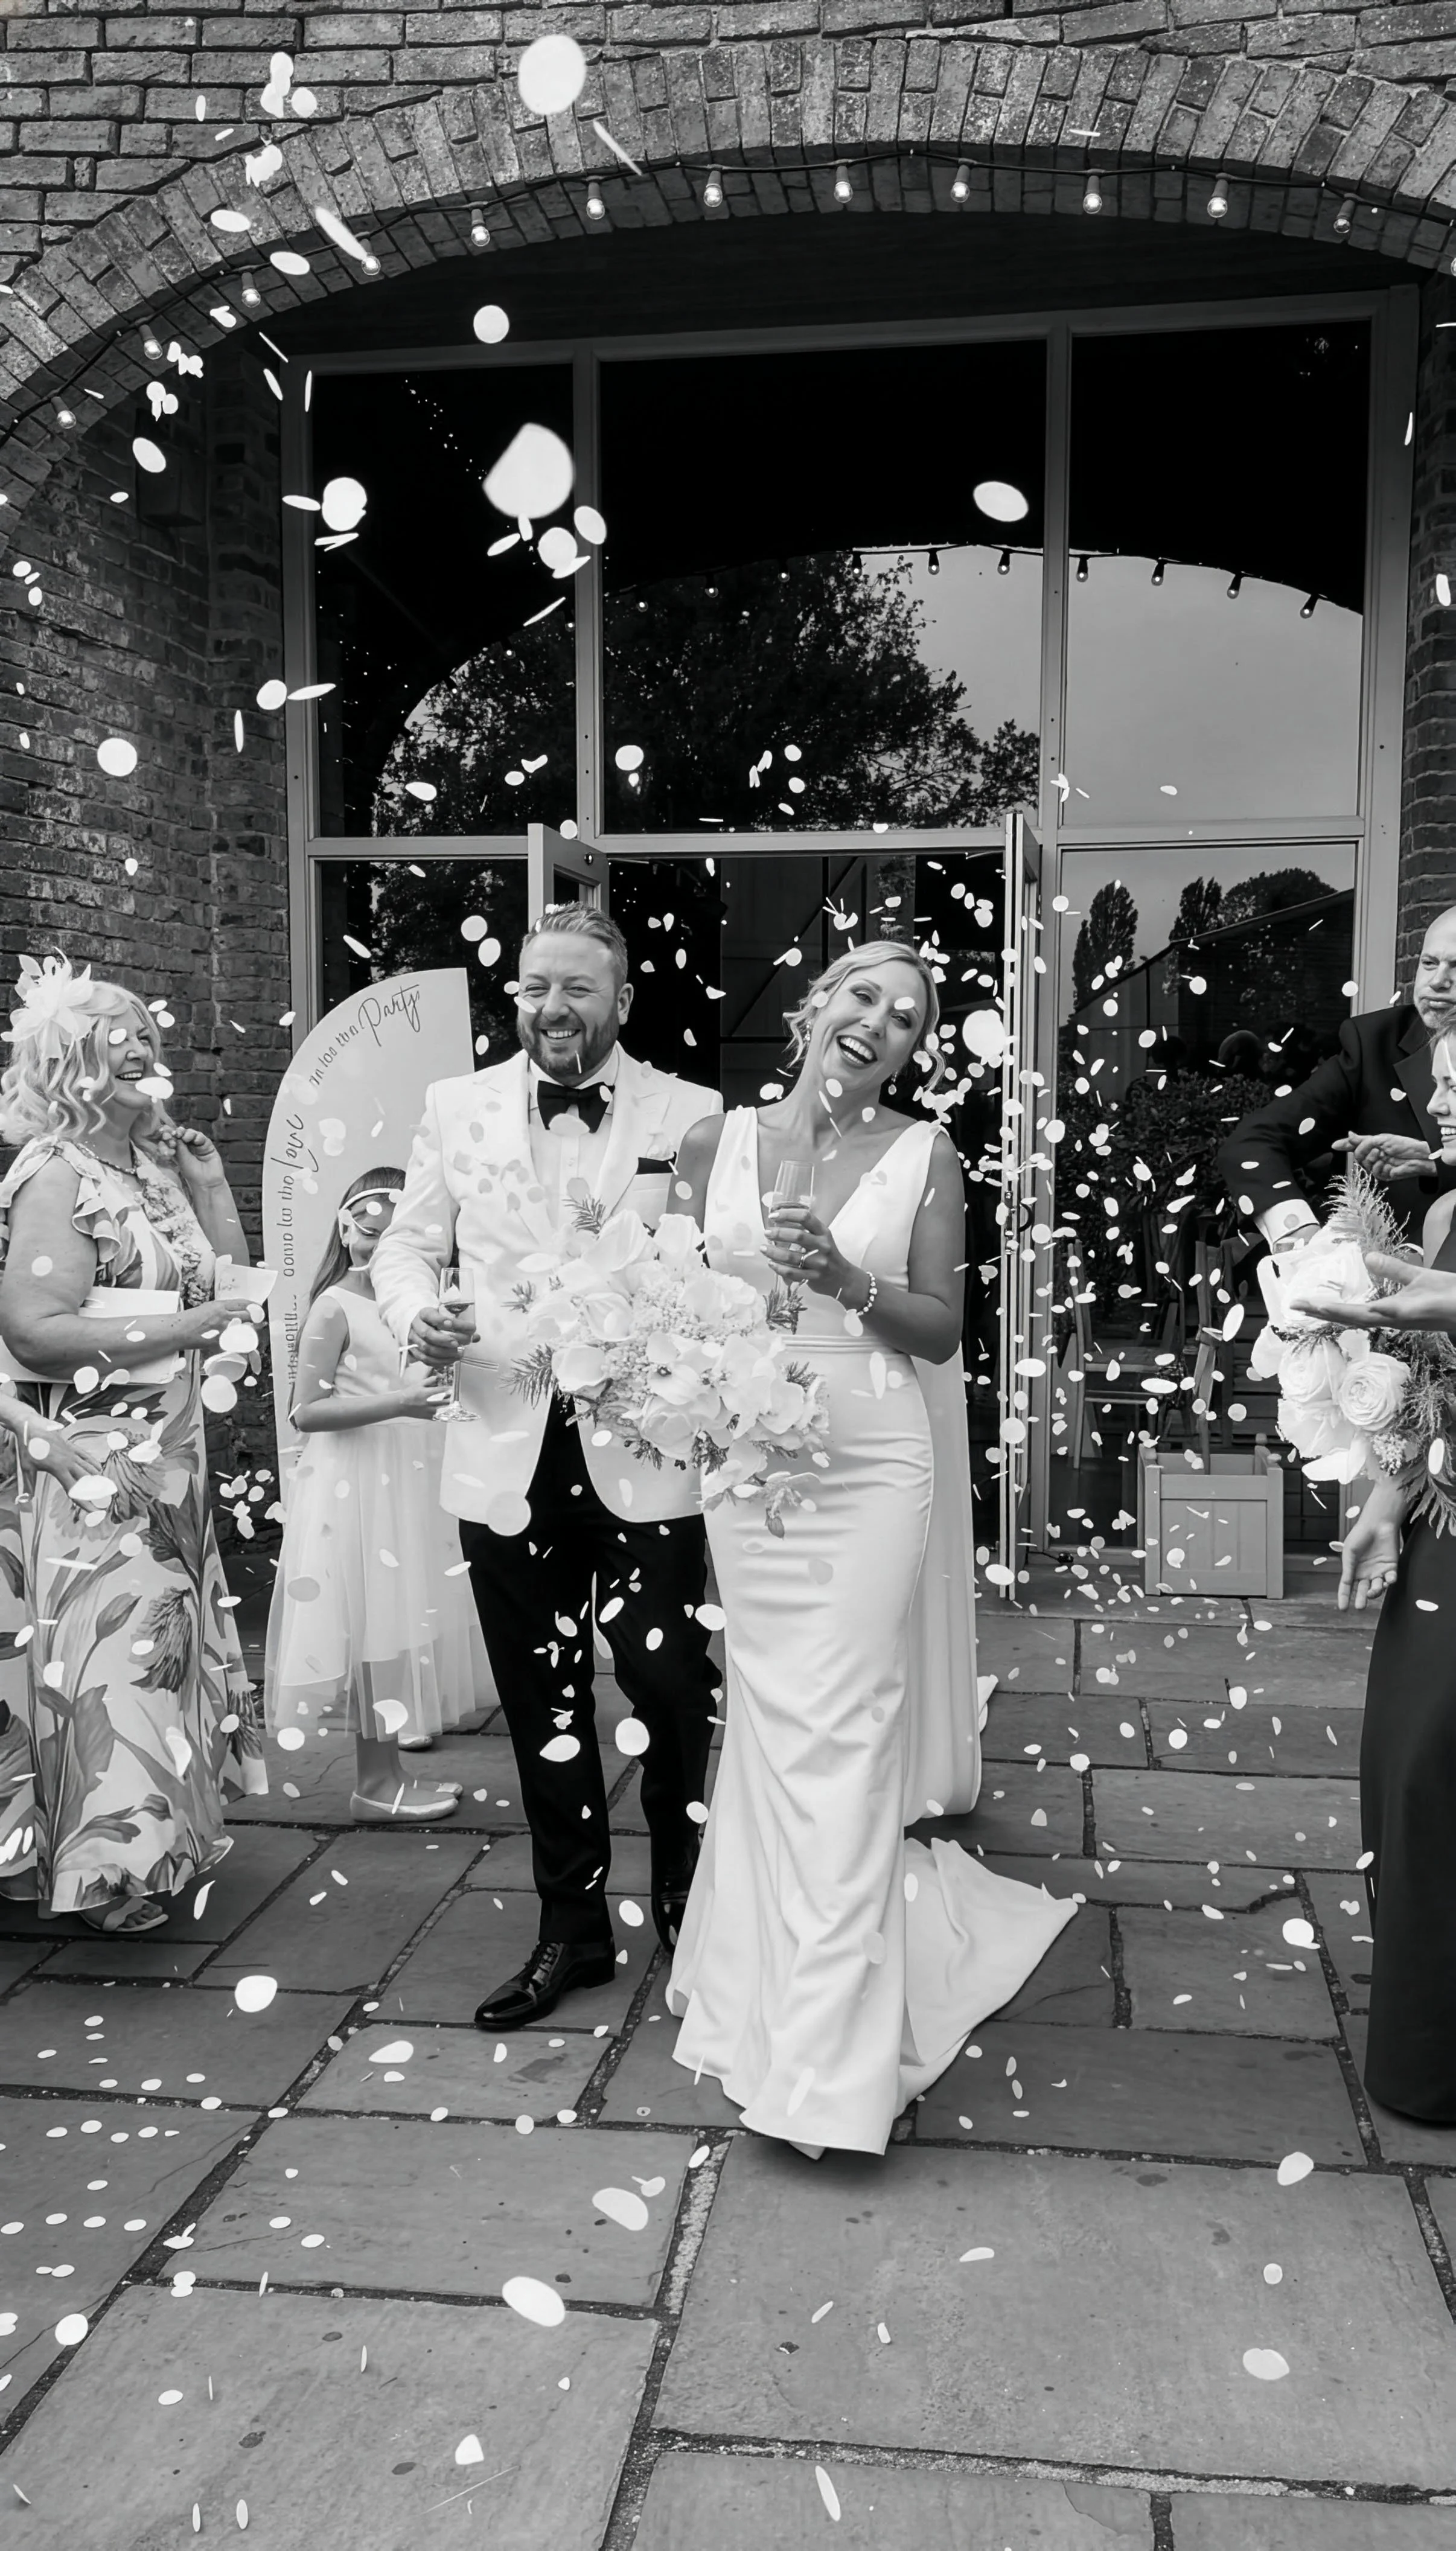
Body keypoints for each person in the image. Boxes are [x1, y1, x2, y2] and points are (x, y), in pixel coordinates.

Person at [665, 939, 1076, 2159]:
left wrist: (846, 1277)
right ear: (814, 1005)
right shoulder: (711, 1145)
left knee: (846, 1730)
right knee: (773, 1722)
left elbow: (944, 1332)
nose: (881, 1023)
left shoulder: (924, 1153)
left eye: (907, 1018)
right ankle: (760, 1980)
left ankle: (833, 2065)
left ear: (913, 1050)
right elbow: (676, 1298)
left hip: (872, 1461)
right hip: (748, 1466)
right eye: (864, 997)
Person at [370, 904, 723, 2023]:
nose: (552, 1008)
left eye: (576, 988)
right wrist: (419, 1312)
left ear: (621, 999)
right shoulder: (454, 1108)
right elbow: (408, 1244)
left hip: (646, 1449)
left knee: (669, 1681)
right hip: (505, 1447)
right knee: (542, 1697)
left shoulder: (694, 1111)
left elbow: (720, 1270)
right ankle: (569, 1931)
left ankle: (686, 1898)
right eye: (533, 987)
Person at [0, 957, 266, 1933]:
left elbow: (226, 1287)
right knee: (116, 1662)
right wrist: (176, 1335)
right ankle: (110, 1874)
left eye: (150, 1044)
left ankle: (146, 1842)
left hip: (169, 1450)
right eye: (123, 1047)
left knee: (154, 1652)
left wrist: (208, 1181)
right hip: (93, 1459)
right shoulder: (56, 1176)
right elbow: (33, 1327)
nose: (147, 1059)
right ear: (71, 1064)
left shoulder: (150, 1168)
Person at [1297, 1011, 1456, 2124]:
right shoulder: (1446, 1208)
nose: (1435, 1103)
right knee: (1404, 1780)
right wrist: (1389, 1504)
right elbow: (1440, 1379)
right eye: (1437, 1078)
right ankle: (1426, 2049)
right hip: (1447, 1529)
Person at [264, 1167, 494, 1823]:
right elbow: (304, 1411)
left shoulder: (421, 1306)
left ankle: (389, 1767)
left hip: (412, 1474)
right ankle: (373, 1780)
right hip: (358, 1483)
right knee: (371, 1623)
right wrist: (402, 1402)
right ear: (346, 1225)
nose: (379, 1239)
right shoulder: (334, 1304)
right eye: (369, 1224)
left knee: (400, 1621)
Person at [1216, 904, 1456, 1251]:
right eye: (1429, 963)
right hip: (1399, 1291)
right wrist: (1297, 1233)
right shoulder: (1374, 1045)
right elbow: (1253, 1143)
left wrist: (1437, 1162)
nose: (1437, 982)